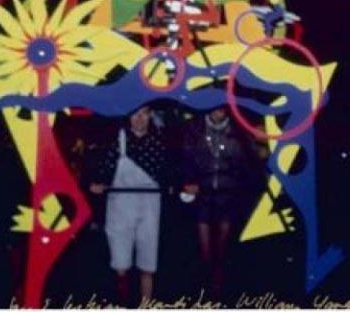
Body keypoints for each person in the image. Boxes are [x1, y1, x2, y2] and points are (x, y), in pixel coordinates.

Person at [89, 104, 169, 305]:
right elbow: (104, 171)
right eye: (135, 114)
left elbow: (170, 174)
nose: (139, 118)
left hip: (150, 206)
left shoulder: (159, 143)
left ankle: (146, 305)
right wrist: (99, 185)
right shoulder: (117, 142)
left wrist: (180, 186)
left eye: (144, 114)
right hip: (121, 206)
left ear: (150, 116)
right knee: (121, 264)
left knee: (147, 263)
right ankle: (122, 303)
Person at [181, 107, 260, 299]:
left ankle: (219, 290)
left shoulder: (239, 130)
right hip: (202, 196)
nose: (219, 110)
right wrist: (187, 182)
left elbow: (249, 163)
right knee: (204, 250)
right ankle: (203, 291)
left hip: (229, 195)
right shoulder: (194, 128)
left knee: (223, 250)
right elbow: (184, 160)